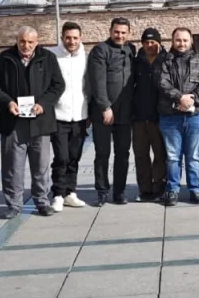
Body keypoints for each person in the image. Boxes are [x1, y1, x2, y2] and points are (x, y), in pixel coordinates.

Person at [0, 26, 65, 218]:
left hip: (40, 121)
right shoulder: (4, 59)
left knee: (41, 166)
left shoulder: (47, 58)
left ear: (37, 42)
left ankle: (42, 201)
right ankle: (14, 205)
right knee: (13, 167)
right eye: (22, 41)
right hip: (13, 122)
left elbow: (58, 85)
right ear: (17, 40)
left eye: (30, 42)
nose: (26, 45)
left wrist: (44, 103)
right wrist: (7, 102)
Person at [157, 28, 199, 206]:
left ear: (191, 41)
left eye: (185, 40)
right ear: (172, 41)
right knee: (173, 156)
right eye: (178, 40)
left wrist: (191, 100)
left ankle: (195, 189)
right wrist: (179, 98)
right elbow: (161, 83)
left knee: (194, 155)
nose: (181, 43)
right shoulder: (164, 61)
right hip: (170, 116)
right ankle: (172, 189)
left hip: (195, 116)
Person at [88, 17, 136, 206]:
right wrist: (105, 107)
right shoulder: (100, 51)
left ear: (129, 33)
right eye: (117, 32)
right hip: (104, 114)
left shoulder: (131, 50)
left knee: (123, 154)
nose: (120, 35)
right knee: (102, 153)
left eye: (123, 32)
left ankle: (119, 192)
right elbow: (97, 82)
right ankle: (101, 191)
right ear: (110, 31)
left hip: (125, 113)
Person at [50, 22, 89, 212]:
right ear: (62, 37)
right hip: (59, 116)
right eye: (68, 37)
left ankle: (70, 192)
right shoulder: (52, 56)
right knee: (61, 157)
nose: (71, 41)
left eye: (75, 38)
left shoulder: (86, 58)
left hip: (80, 116)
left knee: (74, 157)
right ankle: (57, 193)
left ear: (80, 38)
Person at [132, 28, 167, 202]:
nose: (149, 45)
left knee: (160, 154)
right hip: (139, 117)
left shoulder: (166, 60)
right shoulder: (136, 61)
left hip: (159, 116)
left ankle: (159, 188)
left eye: (153, 42)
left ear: (159, 43)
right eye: (146, 42)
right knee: (141, 154)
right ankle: (145, 189)